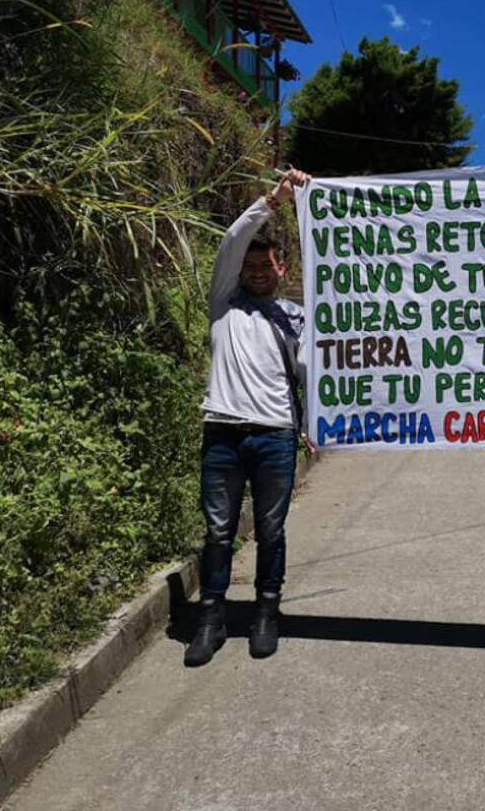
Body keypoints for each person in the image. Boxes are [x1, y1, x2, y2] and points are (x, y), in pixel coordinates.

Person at [184, 168, 312, 667]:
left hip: (277, 436)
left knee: (272, 531)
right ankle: (210, 619)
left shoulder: (296, 317)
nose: (257, 270)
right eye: (251, 264)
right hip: (223, 436)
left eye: (268, 264)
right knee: (218, 531)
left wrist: (315, 425)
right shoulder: (223, 305)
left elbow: (313, 375)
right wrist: (273, 201)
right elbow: (232, 241)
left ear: (282, 269)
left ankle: (266, 613)